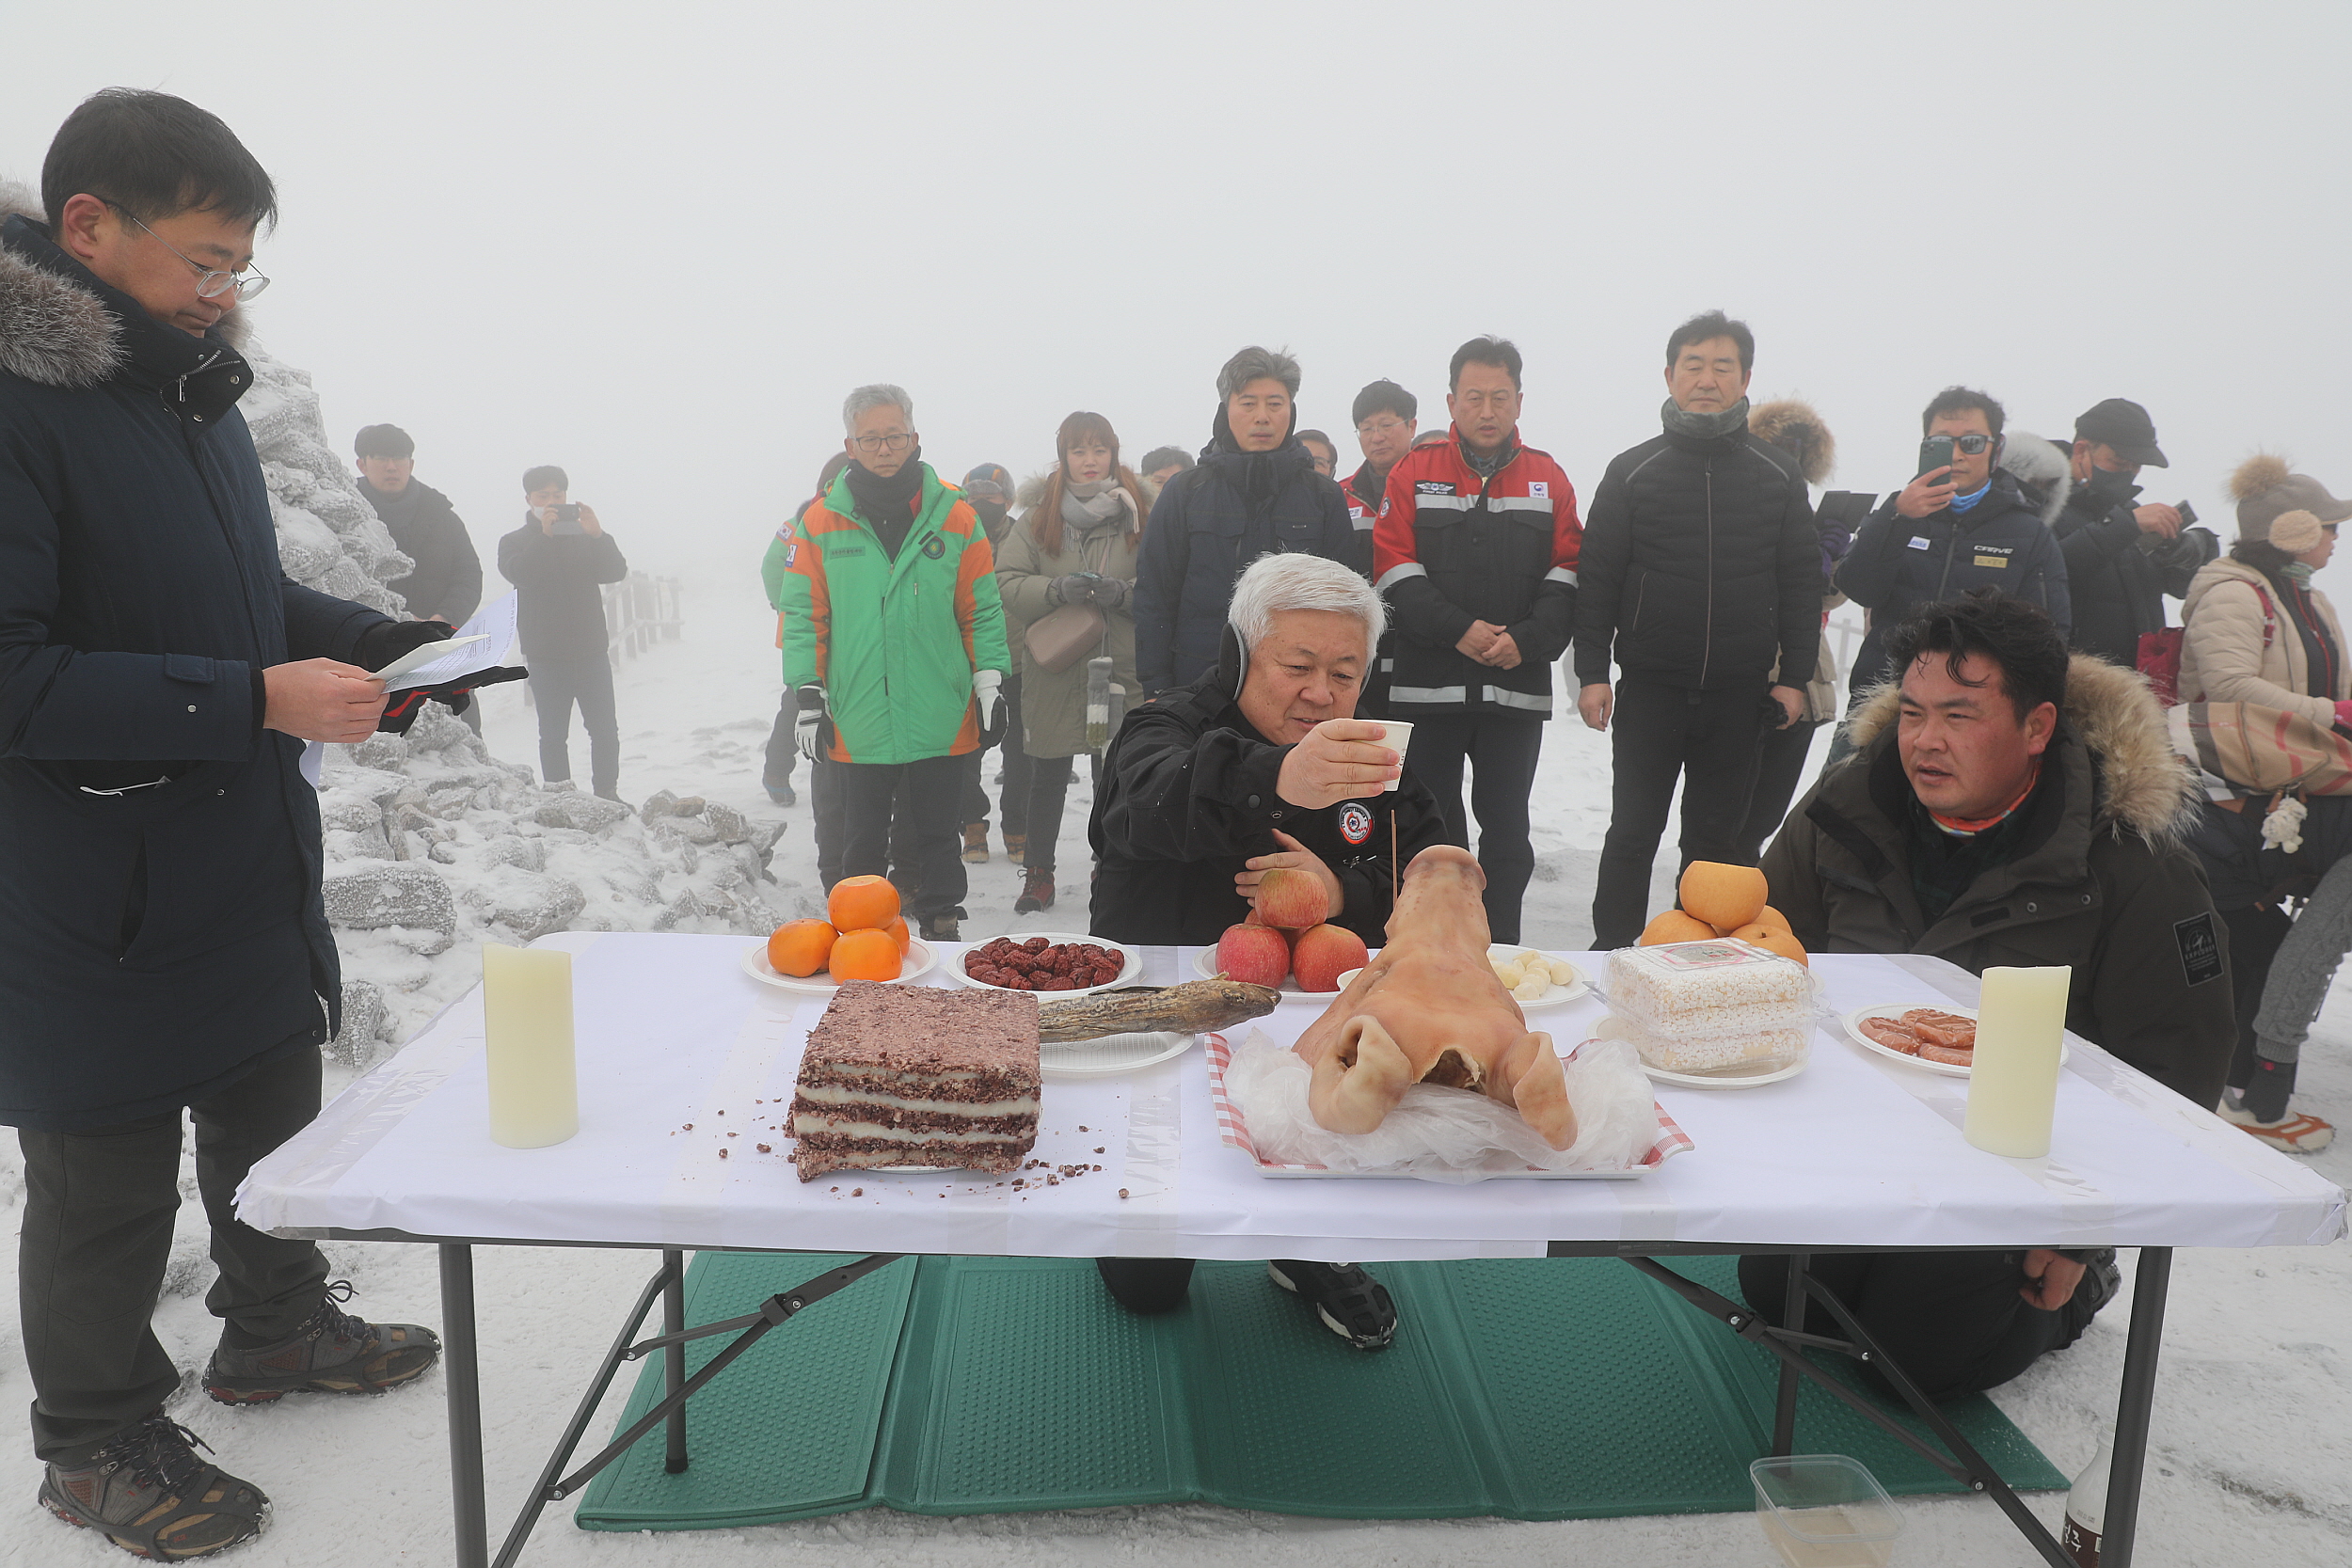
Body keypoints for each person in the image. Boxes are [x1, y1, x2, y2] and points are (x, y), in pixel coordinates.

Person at [0, 89, 442, 1559]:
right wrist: (252, 696)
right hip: (92, 879)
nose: (224, 291)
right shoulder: (17, 401)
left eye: (243, 265)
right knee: (106, 1168)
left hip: (235, 851)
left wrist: (384, 642)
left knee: (268, 1098)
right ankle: (96, 1436)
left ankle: (274, 1326)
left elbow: (244, 603)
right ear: (87, 228)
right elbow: (12, 672)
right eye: (203, 259)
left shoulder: (184, 390)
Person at [1755, 591, 2233, 1401]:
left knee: (1919, 1358)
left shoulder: (2128, 864)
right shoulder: (1843, 812)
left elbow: (2179, 1062)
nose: (1924, 741)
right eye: (1911, 712)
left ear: (2038, 727)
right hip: (1853, 1148)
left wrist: (2084, 1233)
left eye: (1960, 715)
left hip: (2020, 1177)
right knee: (1779, 1298)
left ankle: (2077, 1294)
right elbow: (1764, 955)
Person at [1089, 552, 1449, 1349]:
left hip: (1313, 1026)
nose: (1321, 693)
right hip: (1168, 1025)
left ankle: (1307, 1245)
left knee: (1329, 1136)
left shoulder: (1372, 752)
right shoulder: (1166, 724)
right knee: (1149, 1288)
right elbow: (1138, 808)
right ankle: (1147, 1222)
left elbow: (1435, 874)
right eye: (1298, 666)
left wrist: (1345, 891)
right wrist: (1278, 776)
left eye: (1345, 673)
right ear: (1240, 654)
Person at [1572, 310, 1821, 947]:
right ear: (1670, 374)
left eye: (1722, 367)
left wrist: (1793, 677)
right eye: (1694, 365)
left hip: (1739, 695)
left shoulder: (1777, 475)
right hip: (1650, 688)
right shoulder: (1632, 470)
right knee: (1632, 830)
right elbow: (1598, 575)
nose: (1707, 379)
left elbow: (1799, 580)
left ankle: (1698, 957)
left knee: (1715, 843)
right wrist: (1593, 672)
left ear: (1745, 380)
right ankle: (1613, 953)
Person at [781, 385, 1009, 942]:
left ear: (914, 438)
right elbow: (804, 614)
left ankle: (940, 916)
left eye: (894, 437)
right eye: (871, 439)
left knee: (937, 827)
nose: (884, 448)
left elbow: (980, 607)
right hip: (859, 707)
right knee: (860, 833)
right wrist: (808, 695)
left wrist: (989, 681)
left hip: (939, 701)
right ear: (851, 445)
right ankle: (861, 928)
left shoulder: (954, 517)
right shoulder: (821, 523)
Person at [1371, 336, 1581, 942]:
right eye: (1473, 398)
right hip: (1427, 692)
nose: (1486, 411)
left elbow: (1568, 574)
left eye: (1499, 398)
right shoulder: (1415, 471)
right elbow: (1392, 567)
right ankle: (1439, 948)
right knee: (1437, 837)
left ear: (1519, 401)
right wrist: (1456, 631)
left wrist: (1529, 640)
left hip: (1514, 698)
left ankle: (1502, 950)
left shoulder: (1548, 478)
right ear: (1451, 402)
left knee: (1508, 834)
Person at [2177, 454, 2352, 1152]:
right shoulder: (2233, 592)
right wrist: (2330, 712)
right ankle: (2250, 1094)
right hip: (2226, 793)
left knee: (2259, 943)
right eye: (2328, 528)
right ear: (2292, 530)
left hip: (2282, 786)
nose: (2336, 541)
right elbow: (2226, 683)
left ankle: (2250, 1088)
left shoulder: (2310, 600)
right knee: (2251, 940)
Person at [1132, 346, 1362, 694]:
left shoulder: (1323, 497)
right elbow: (1154, 597)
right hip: (1196, 682)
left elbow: (1346, 603)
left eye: (1274, 403)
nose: (1262, 417)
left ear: (1291, 411)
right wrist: (1157, 688)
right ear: (1226, 410)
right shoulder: (1185, 492)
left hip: (1293, 687)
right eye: (1248, 403)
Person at [994, 414, 1148, 913]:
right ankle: (1038, 874)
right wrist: (1055, 589)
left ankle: (1113, 865)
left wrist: (1122, 593)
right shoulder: (1039, 517)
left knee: (1117, 775)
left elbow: (1167, 584)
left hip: (1120, 667)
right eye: (1078, 451)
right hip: (1056, 667)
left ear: (1113, 453)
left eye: (1098, 449)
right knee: (1048, 775)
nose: (1089, 460)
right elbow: (1006, 581)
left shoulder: (1141, 512)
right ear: (1063, 457)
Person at [1835, 386, 2070, 701]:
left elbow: (2050, 634)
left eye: (1971, 442)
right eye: (1942, 442)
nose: (1957, 454)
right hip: (1885, 700)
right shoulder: (1898, 513)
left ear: (1996, 449)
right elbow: (1859, 588)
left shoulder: (2030, 534)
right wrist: (1897, 517)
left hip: (1976, 706)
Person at [1732, 400, 1864, 862]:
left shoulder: (1807, 513)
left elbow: (1823, 598)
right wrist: (1807, 556)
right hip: (1743, 669)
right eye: (1781, 444)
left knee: (1765, 814)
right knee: (1727, 811)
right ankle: (1700, 905)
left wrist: (1832, 554)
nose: (1791, 455)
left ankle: (1736, 905)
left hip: (1804, 676)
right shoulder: (1735, 504)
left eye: (1799, 448)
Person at [2049, 398, 2217, 668]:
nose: (2129, 473)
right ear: (2080, 450)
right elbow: (2044, 572)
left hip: (2138, 687)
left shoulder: (2131, 514)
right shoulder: (2041, 504)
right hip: (2073, 683)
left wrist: (2188, 550)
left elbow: (2179, 589)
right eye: (2119, 462)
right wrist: (2123, 525)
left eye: (2136, 466)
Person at [497, 464, 628, 800]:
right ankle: (561, 798)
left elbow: (615, 571)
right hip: (546, 656)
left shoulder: (584, 536)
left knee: (604, 731)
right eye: (544, 496)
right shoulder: (513, 541)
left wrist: (597, 535)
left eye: (558, 495)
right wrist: (545, 537)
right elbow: (521, 574)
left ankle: (607, 794)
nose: (552, 501)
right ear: (529, 499)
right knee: (553, 735)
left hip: (591, 651)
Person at [354, 421, 485, 731]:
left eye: (399, 458)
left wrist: (441, 620)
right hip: (368, 652)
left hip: (437, 647)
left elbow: (469, 574)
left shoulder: (442, 516)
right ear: (361, 463)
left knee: (460, 736)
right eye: (381, 458)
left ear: (411, 464)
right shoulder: (348, 515)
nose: (391, 467)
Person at [761, 451, 852, 810]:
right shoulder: (799, 522)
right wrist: (788, 604)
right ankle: (777, 771)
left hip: (851, 631)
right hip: (807, 631)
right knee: (799, 702)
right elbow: (771, 568)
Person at [958, 462, 1025, 863]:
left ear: (1009, 500)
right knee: (967, 752)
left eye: (992, 496)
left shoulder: (1026, 537)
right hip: (969, 664)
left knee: (1020, 753)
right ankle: (972, 824)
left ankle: (1017, 824)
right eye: (975, 495)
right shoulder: (955, 536)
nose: (983, 503)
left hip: (1019, 662)